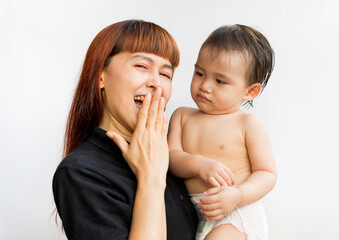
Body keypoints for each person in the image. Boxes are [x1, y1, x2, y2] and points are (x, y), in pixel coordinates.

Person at [53, 20, 198, 240]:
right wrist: (151, 178)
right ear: (101, 75)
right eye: (142, 66)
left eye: (166, 75)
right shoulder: (81, 172)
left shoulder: (174, 157)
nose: (156, 83)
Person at [167, 24, 277, 240]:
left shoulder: (247, 124)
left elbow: (267, 174)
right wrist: (200, 165)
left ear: (249, 91)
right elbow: (170, 158)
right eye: (199, 73)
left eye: (220, 81)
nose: (205, 85)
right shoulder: (182, 116)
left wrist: (237, 195)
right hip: (197, 215)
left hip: (235, 214)